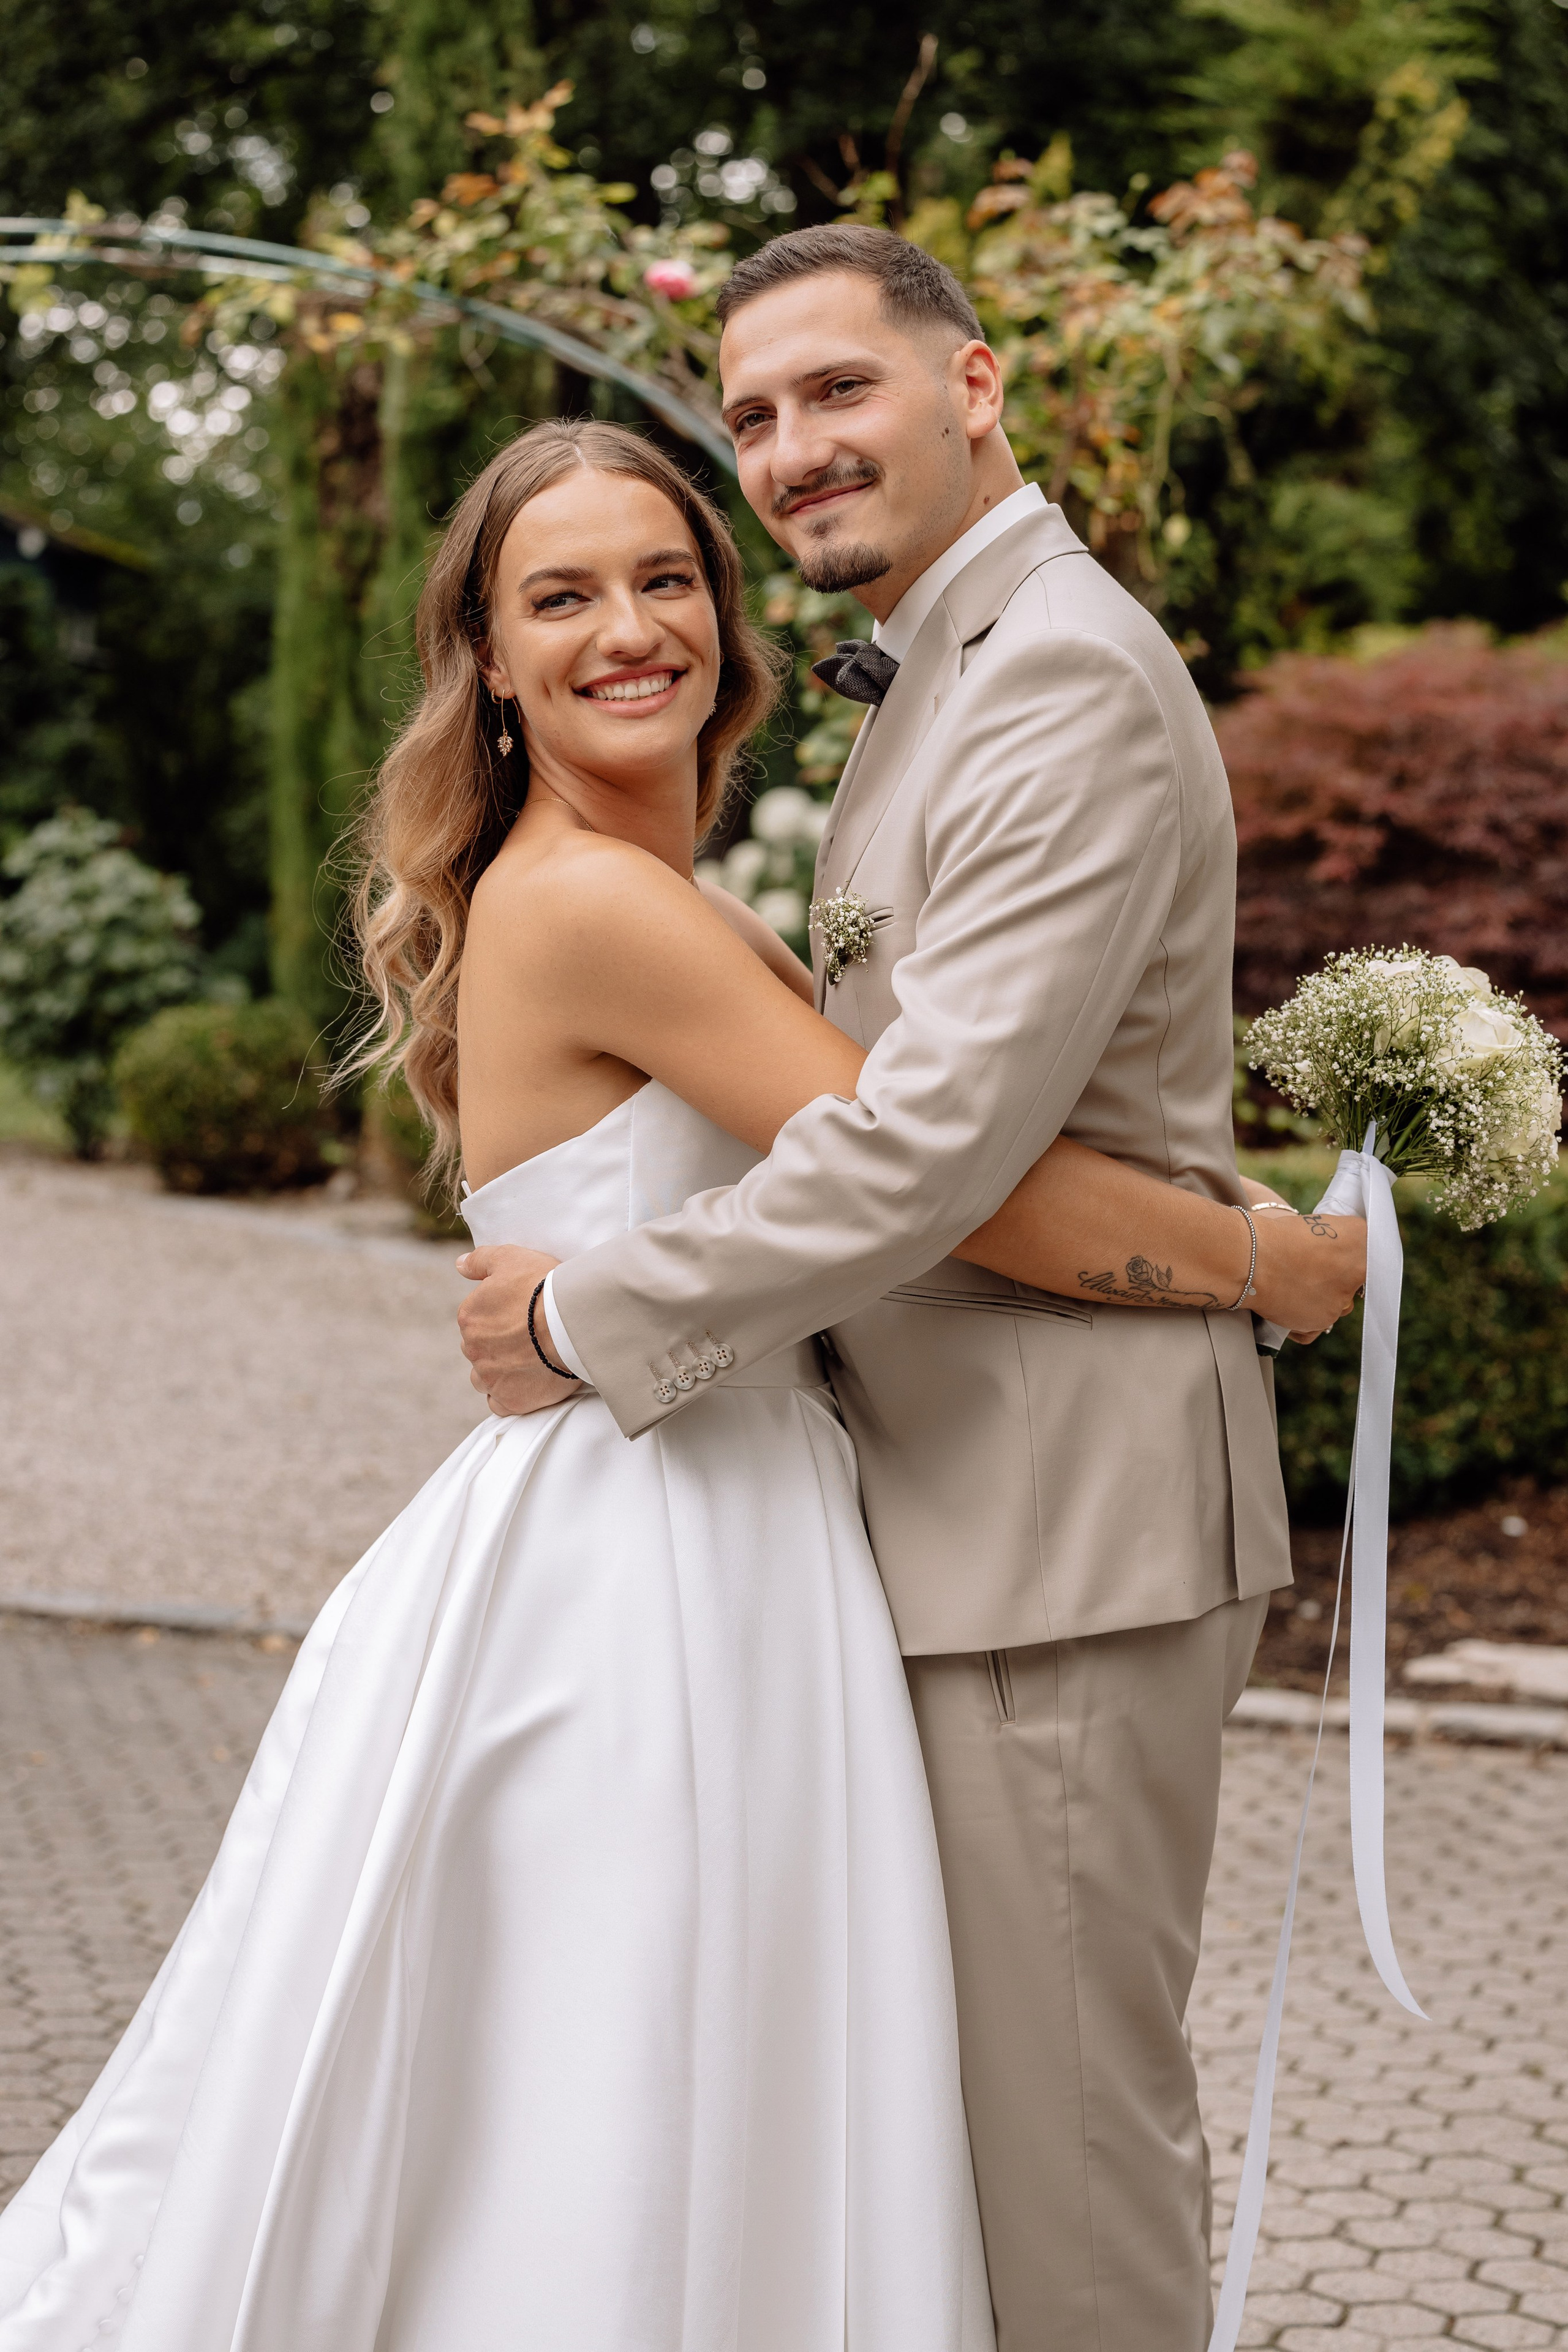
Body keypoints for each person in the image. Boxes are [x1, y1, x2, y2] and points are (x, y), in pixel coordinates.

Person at [0, 418, 1360, 2352]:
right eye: (561, 596)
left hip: (717, 1504)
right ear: (484, 656)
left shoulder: (631, 886)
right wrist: (1272, 1261)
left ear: (726, 621)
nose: (629, 627)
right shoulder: (601, 905)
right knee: (632, 2073)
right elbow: (937, 1185)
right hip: (655, 1559)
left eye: (664, 581)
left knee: (656, 2065)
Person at [453, 230, 1360, 2352]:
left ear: (977, 385)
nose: (790, 451)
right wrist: (1266, 1254)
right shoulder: (946, 662)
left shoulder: (1046, 666)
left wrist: (593, 1318)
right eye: (754, 416)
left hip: (1060, 1527)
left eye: (838, 392)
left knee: (1058, 2162)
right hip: (956, 1521)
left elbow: (924, 1151)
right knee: (961, 2149)